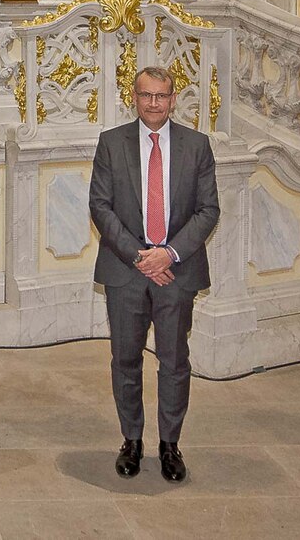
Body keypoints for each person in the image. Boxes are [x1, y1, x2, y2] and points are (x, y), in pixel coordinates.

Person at [88, 66, 220, 483]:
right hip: (126, 272)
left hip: (176, 273)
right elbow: (101, 207)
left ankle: (169, 445)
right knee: (125, 360)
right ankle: (131, 440)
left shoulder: (197, 146)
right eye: (146, 96)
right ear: (135, 97)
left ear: (173, 99)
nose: (154, 103)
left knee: (174, 361)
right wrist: (140, 256)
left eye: (161, 96)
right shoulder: (111, 143)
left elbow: (208, 210)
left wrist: (169, 254)